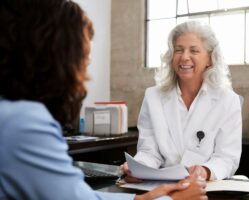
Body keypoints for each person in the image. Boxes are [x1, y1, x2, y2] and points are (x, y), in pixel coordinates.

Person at [0, 1, 208, 200]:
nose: (86, 69)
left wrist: (141, 199)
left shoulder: (10, 113)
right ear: (55, 57)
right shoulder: (23, 123)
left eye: (194, 50)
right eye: (83, 57)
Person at [122, 21, 242, 182]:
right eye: (178, 50)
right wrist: (137, 166)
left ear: (210, 59)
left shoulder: (228, 100)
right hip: (161, 186)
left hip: (204, 188)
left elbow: (227, 158)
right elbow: (149, 151)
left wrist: (205, 171)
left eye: (194, 50)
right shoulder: (153, 97)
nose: (184, 57)